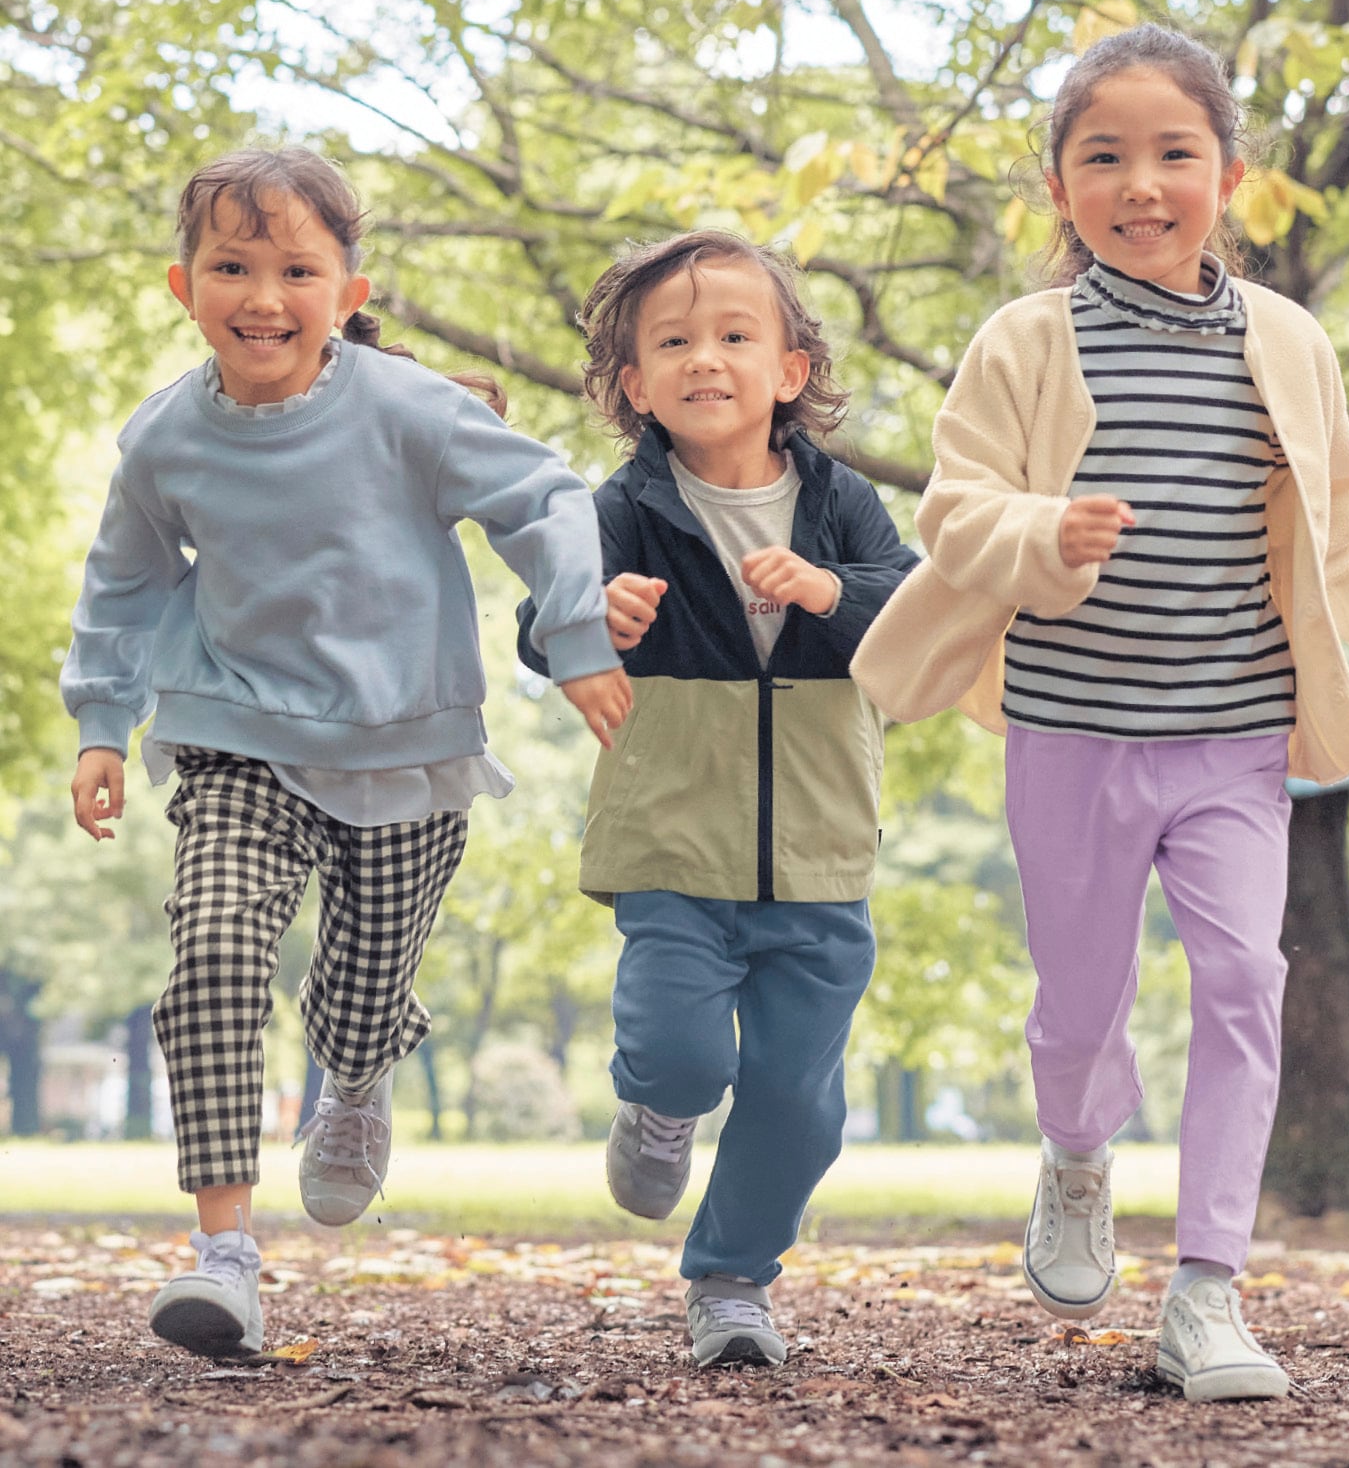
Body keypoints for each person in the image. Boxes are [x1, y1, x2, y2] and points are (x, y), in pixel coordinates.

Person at [850, 24, 1349, 1404]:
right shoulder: (1027, 339)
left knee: (1247, 983)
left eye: (1174, 154)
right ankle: (1074, 1154)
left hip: (1237, 737)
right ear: (1060, 188)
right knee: (1079, 1005)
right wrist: (1044, 531)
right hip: (1070, 733)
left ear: (1227, 175)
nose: (1142, 183)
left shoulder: (1286, 342)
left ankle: (1209, 1291)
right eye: (1103, 157)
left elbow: (1334, 514)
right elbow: (954, 507)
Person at [62, 147, 630, 1359]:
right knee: (209, 958)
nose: (262, 295)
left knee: (363, 1000)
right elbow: (123, 586)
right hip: (234, 740)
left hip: (406, 746)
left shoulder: (409, 410)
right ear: (183, 286)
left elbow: (546, 498)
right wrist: (103, 724)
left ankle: (357, 1082)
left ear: (348, 291)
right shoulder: (165, 439)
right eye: (232, 266)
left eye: (296, 269)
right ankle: (225, 1257)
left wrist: (575, 634)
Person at [518, 231, 918, 1368]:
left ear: (791, 368)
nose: (707, 357)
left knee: (802, 1101)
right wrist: (598, 621)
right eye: (675, 341)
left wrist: (831, 590)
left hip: (820, 846)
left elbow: (910, 607)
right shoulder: (624, 507)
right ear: (636, 385)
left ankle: (734, 1279)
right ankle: (656, 1107)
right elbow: (544, 625)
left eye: (736, 335)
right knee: (682, 1050)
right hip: (671, 837)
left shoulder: (841, 502)